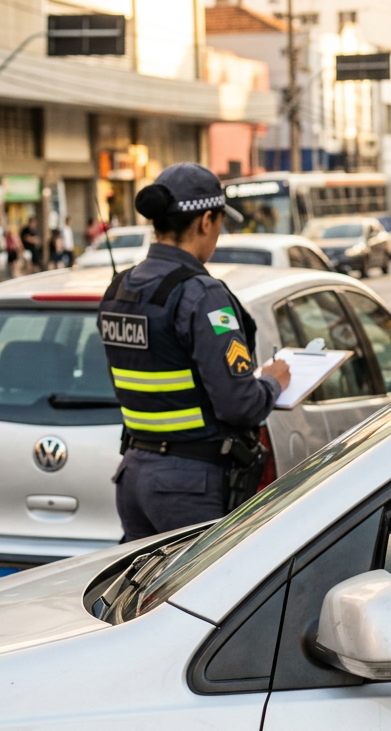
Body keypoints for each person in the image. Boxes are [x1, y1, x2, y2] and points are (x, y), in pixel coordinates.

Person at [102, 163, 293, 541]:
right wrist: (272, 383)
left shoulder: (120, 288)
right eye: (220, 223)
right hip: (189, 485)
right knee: (214, 581)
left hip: (134, 476)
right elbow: (241, 404)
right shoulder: (201, 294)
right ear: (206, 221)